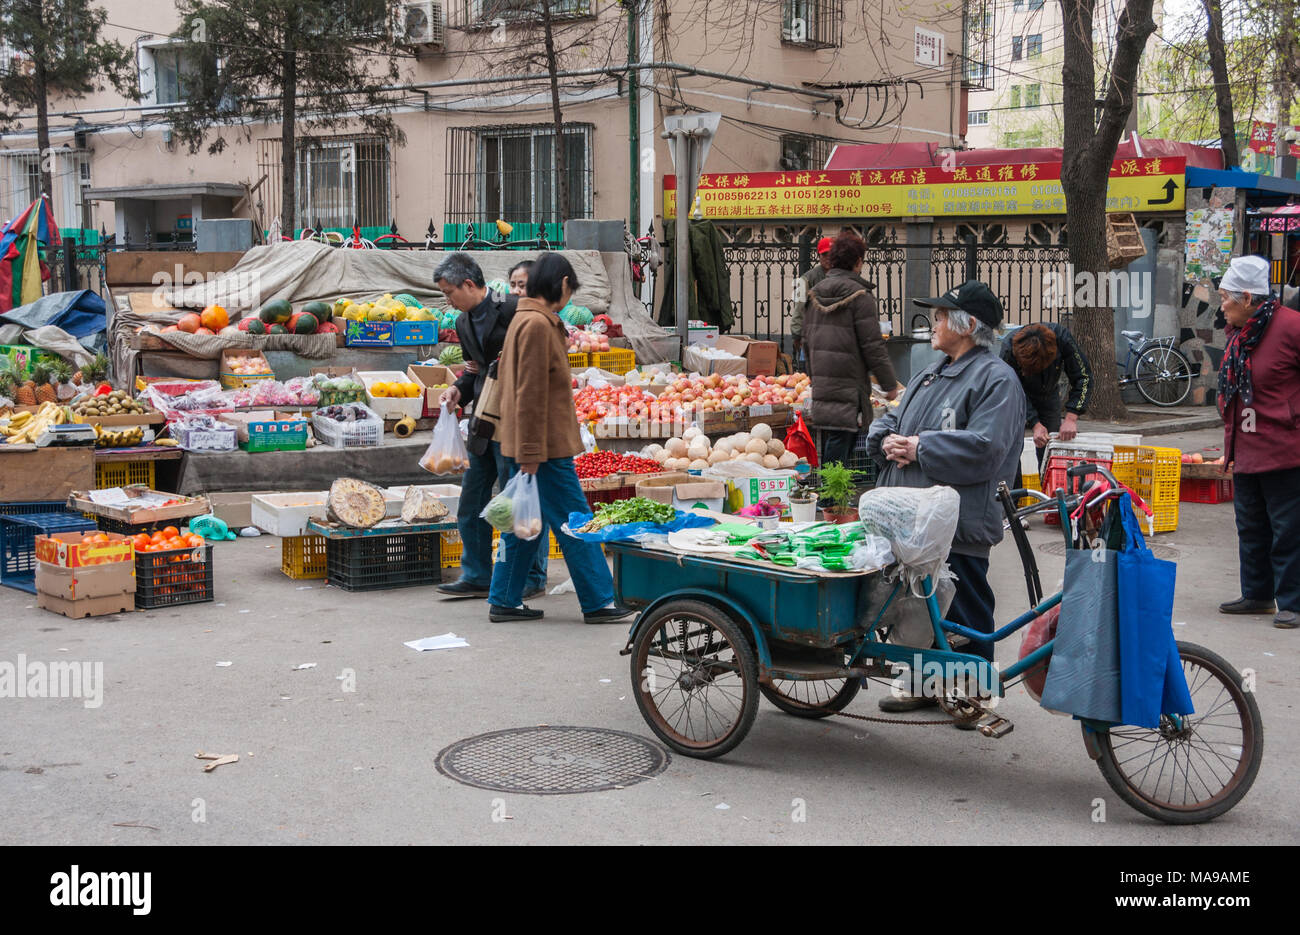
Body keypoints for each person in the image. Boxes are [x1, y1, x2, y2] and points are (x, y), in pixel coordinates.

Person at [867, 280, 1027, 714]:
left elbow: (986, 448)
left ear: (968, 324)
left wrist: (919, 447)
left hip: (961, 522)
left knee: (966, 609)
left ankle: (973, 694)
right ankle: (922, 684)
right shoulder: (931, 371)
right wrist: (885, 439)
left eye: (940, 316)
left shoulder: (997, 380)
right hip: (914, 521)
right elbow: (893, 417)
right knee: (919, 607)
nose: (933, 323)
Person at [487, 253, 634, 625]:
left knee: (525, 523)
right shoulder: (536, 325)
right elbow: (530, 393)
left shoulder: (530, 320)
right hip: (545, 446)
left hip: (537, 444)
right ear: (563, 284)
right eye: (571, 290)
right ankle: (599, 600)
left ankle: (504, 598)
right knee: (575, 520)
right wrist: (532, 452)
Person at [433, 253, 547, 601]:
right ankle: (477, 573)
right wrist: (457, 390)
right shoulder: (464, 323)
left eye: (449, 292)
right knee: (472, 500)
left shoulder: (514, 310)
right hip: (482, 421)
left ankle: (532, 576)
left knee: (519, 502)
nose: (447, 300)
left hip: (514, 421)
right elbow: (474, 370)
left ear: (469, 284)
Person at [1214, 255, 1300, 630]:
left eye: (1225, 298)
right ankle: (1258, 594)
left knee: (1288, 530)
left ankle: (1293, 601)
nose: (1221, 306)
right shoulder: (1240, 334)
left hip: (1285, 449)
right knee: (1251, 526)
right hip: (1246, 448)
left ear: (1248, 297)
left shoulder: (1291, 327)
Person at [804, 230, 900, 467]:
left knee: (832, 438)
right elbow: (873, 346)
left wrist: (813, 377)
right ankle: (830, 499)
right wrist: (889, 384)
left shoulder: (814, 293)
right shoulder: (861, 297)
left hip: (823, 379)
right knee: (841, 441)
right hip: (848, 381)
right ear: (858, 262)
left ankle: (829, 497)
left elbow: (807, 340)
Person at [1000, 321, 1093, 470]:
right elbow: (1011, 392)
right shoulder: (1008, 350)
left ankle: (1052, 490)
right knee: (1011, 450)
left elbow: (1083, 377)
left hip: (1049, 395)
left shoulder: (1063, 339)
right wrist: (1034, 423)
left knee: (1051, 452)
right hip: (1017, 396)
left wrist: (1071, 417)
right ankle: (1014, 492)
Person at [789, 236, 832, 361]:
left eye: (832, 254)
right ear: (819, 256)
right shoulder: (806, 279)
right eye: (825, 254)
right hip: (813, 337)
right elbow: (799, 309)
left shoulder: (842, 277)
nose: (828, 258)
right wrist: (797, 335)